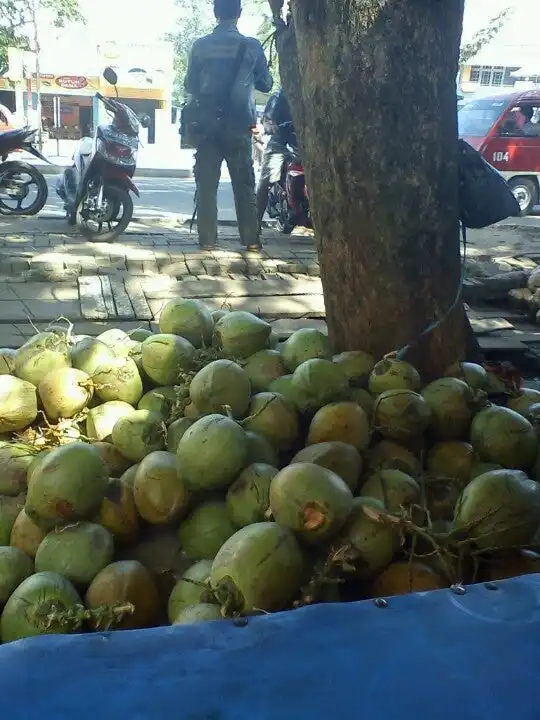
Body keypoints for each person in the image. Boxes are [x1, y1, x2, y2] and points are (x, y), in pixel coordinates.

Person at [184, 0, 273, 250]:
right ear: (239, 14)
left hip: (207, 127)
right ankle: (251, 241)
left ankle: (207, 242)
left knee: (206, 186)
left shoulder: (200, 46)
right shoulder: (252, 46)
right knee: (244, 185)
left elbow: (190, 85)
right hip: (238, 126)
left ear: (215, 13)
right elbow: (266, 84)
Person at [256, 87, 293, 226]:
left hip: (306, 143)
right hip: (281, 141)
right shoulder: (280, 95)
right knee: (267, 180)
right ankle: (255, 223)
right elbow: (268, 118)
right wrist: (270, 125)